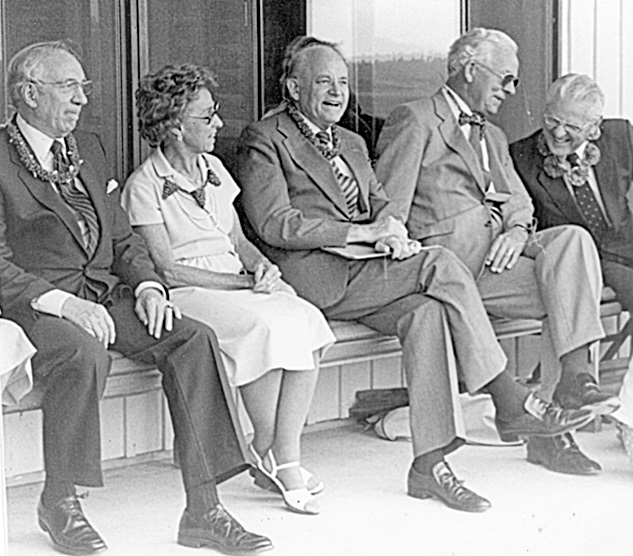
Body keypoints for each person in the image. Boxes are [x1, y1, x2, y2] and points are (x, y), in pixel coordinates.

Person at [236, 35, 594, 514]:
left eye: (343, 82)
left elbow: (384, 203)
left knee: (426, 314)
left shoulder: (352, 142)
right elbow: (275, 222)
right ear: (293, 87)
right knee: (438, 263)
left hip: (369, 272)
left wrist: (389, 230)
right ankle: (507, 398)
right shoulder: (265, 138)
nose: (337, 92)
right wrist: (361, 235)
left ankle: (431, 464)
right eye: (323, 82)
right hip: (316, 275)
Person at [0, 41, 272, 554]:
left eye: (84, 87)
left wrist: (148, 285)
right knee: (81, 352)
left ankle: (204, 507)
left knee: (192, 339)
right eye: (68, 87)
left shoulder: (91, 147)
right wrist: (63, 303)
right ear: (28, 93)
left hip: (105, 294)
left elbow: (123, 238)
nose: (81, 98)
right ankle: (60, 501)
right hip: (35, 305)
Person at [374, 28, 616, 478]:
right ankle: (553, 426)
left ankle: (574, 382)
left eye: (513, 83)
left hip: (498, 260)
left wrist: (517, 232)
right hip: (452, 271)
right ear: (470, 69)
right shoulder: (416, 119)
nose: (509, 91)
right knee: (564, 296)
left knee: (571, 245)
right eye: (506, 79)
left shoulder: (495, 136)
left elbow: (520, 203)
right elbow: (390, 207)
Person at [122, 64, 336, 516]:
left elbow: (238, 242)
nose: (219, 123)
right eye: (207, 116)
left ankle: (273, 448)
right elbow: (168, 268)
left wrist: (263, 269)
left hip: (235, 284)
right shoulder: (144, 186)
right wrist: (242, 284)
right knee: (265, 326)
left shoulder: (215, 168)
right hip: (190, 293)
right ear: (176, 126)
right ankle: (286, 461)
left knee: (304, 317)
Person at [510, 73, 633, 461]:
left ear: (594, 127)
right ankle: (629, 420)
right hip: (588, 261)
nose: (558, 133)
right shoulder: (522, 157)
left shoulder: (620, 136)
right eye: (552, 120)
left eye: (573, 127)